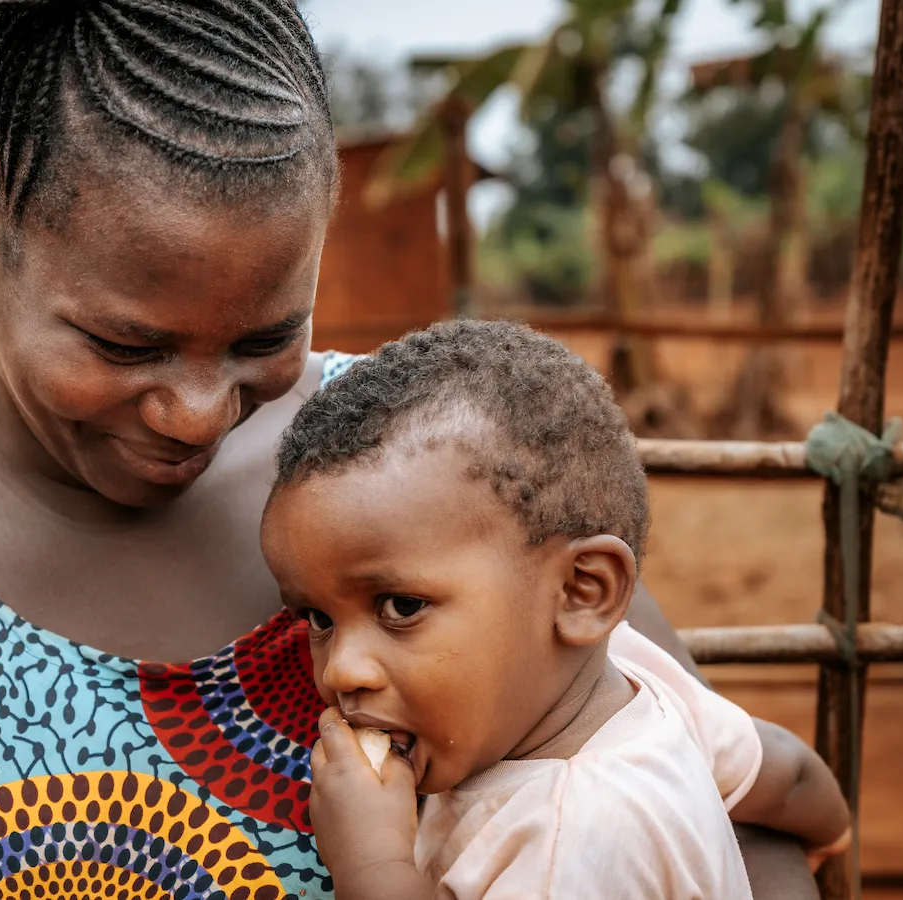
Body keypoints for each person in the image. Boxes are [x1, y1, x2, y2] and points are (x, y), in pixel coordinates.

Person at [0, 1, 821, 898]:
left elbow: (716, 790)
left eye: (265, 339)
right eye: (125, 345)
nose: (196, 414)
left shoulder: (414, 452)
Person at [261, 320, 852, 898]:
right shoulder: (631, 672)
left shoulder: (569, 846)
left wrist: (372, 863)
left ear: (581, 593)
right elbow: (789, 775)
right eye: (319, 619)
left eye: (402, 605)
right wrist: (833, 847)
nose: (341, 670)